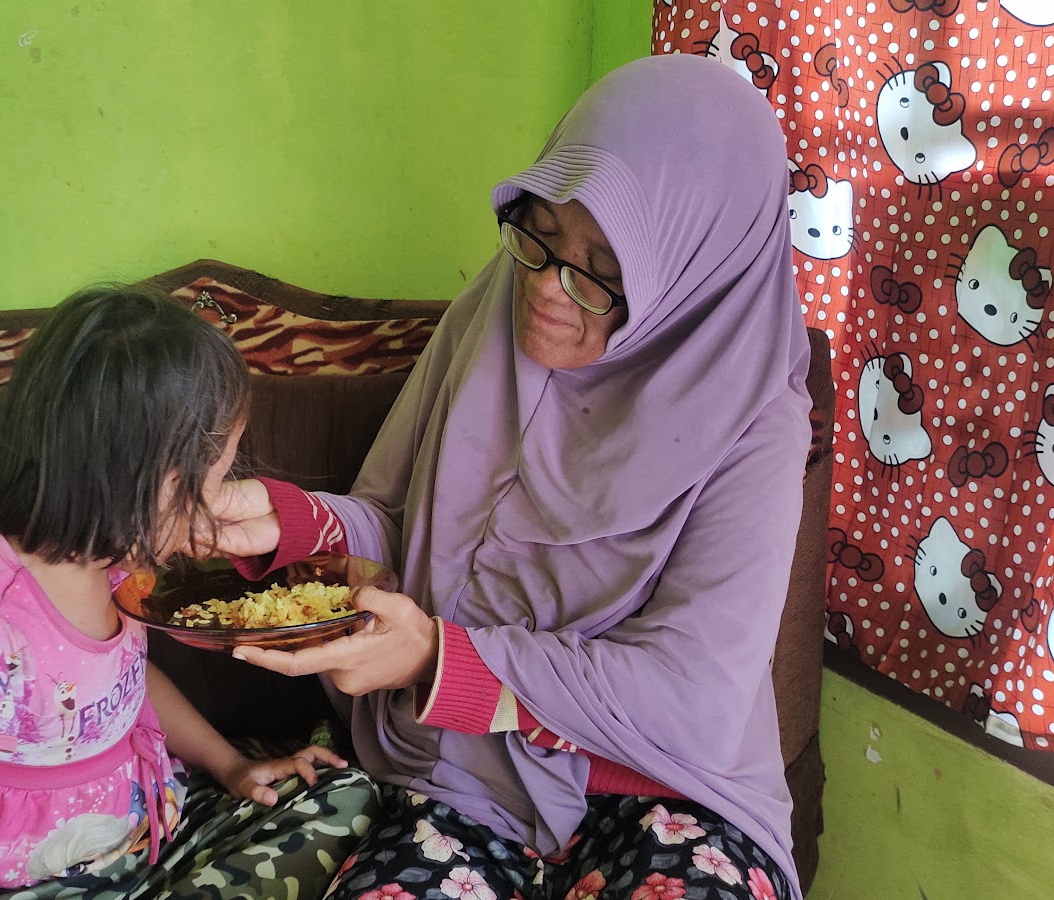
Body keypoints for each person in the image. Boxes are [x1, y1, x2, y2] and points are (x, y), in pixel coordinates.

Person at [199, 55, 811, 900]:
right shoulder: (492, 309)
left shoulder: (756, 420)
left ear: (688, 281)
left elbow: (691, 697)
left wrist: (441, 660)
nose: (549, 289)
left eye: (603, 271)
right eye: (539, 233)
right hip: (457, 772)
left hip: (666, 791)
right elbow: (404, 533)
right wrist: (288, 521)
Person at [0, 285, 377, 900]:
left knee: (347, 796)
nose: (218, 502)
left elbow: (126, 681)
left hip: (140, 845)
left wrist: (230, 765)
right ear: (159, 483)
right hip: (20, 884)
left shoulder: (115, 565)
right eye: (217, 478)